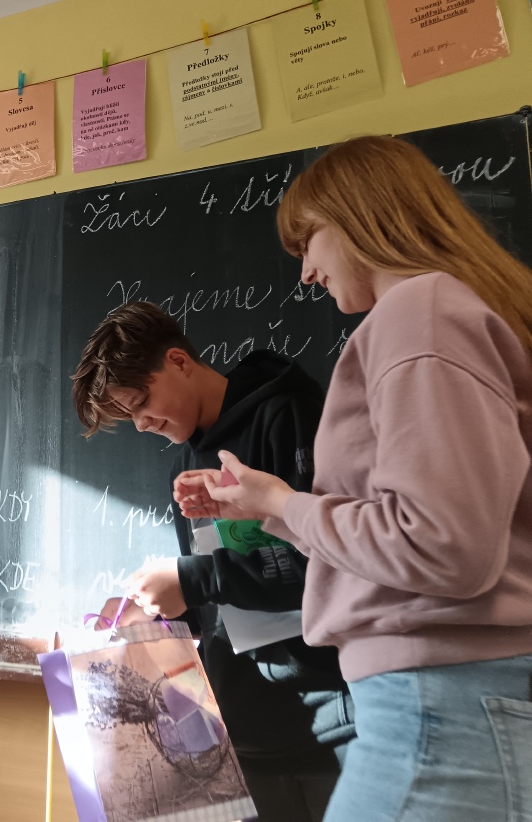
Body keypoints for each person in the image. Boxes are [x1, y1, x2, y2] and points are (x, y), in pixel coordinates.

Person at [177, 135, 532, 821]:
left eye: (308, 242)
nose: (307, 273)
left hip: (439, 702)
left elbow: (441, 545)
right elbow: (429, 540)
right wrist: (271, 509)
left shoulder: (420, 312)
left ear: (362, 216)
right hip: (459, 696)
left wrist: (287, 503)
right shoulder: (456, 312)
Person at [72, 301, 353, 822]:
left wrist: (193, 579)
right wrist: (161, 612)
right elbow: (221, 602)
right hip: (239, 733)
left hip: (331, 719)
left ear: (179, 361)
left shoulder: (285, 415)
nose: (141, 425)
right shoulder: (184, 465)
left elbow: (328, 566)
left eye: (142, 403)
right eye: (130, 416)